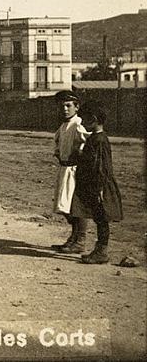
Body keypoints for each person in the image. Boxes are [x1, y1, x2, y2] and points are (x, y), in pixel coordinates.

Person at [71, 102, 123, 264]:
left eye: (84, 119)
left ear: (93, 119)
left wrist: (100, 189)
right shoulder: (94, 138)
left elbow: (102, 165)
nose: (82, 122)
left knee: (102, 219)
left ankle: (101, 252)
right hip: (94, 185)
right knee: (98, 217)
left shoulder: (100, 140)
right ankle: (99, 250)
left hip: (99, 186)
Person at [50, 90, 89, 253]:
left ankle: (80, 239)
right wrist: (58, 151)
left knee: (76, 206)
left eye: (68, 105)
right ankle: (73, 237)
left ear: (77, 107)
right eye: (62, 106)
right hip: (64, 168)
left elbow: (87, 142)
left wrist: (79, 152)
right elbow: (58, 142)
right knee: (64, 205)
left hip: (75, 170)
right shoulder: (64, 125)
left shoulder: (78, 124)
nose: (65, 109)